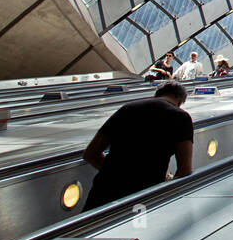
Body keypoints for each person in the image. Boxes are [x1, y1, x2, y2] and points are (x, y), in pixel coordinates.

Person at [81, 81, 194, 210]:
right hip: (144, 198)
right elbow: (185, 170)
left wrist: (118, 174)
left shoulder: (127, 108)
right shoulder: (181, 117)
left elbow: (90, 154)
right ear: (180, 102)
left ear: (156, 95)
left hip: (104, 193)